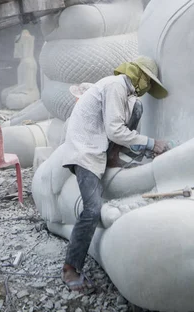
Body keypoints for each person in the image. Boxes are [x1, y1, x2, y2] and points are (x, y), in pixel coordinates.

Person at [61, 56, 169, 291]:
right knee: (92, 209)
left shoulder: (129, 98)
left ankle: (112, 157)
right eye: (148, 82)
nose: (147, 88)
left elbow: (121, 127)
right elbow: (115, 130)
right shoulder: (115, 86)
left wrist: (142, 148)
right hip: (85, 151)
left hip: (100, 148)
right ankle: (70, 268)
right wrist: (151, 143)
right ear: (138, 75)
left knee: (137, 108)